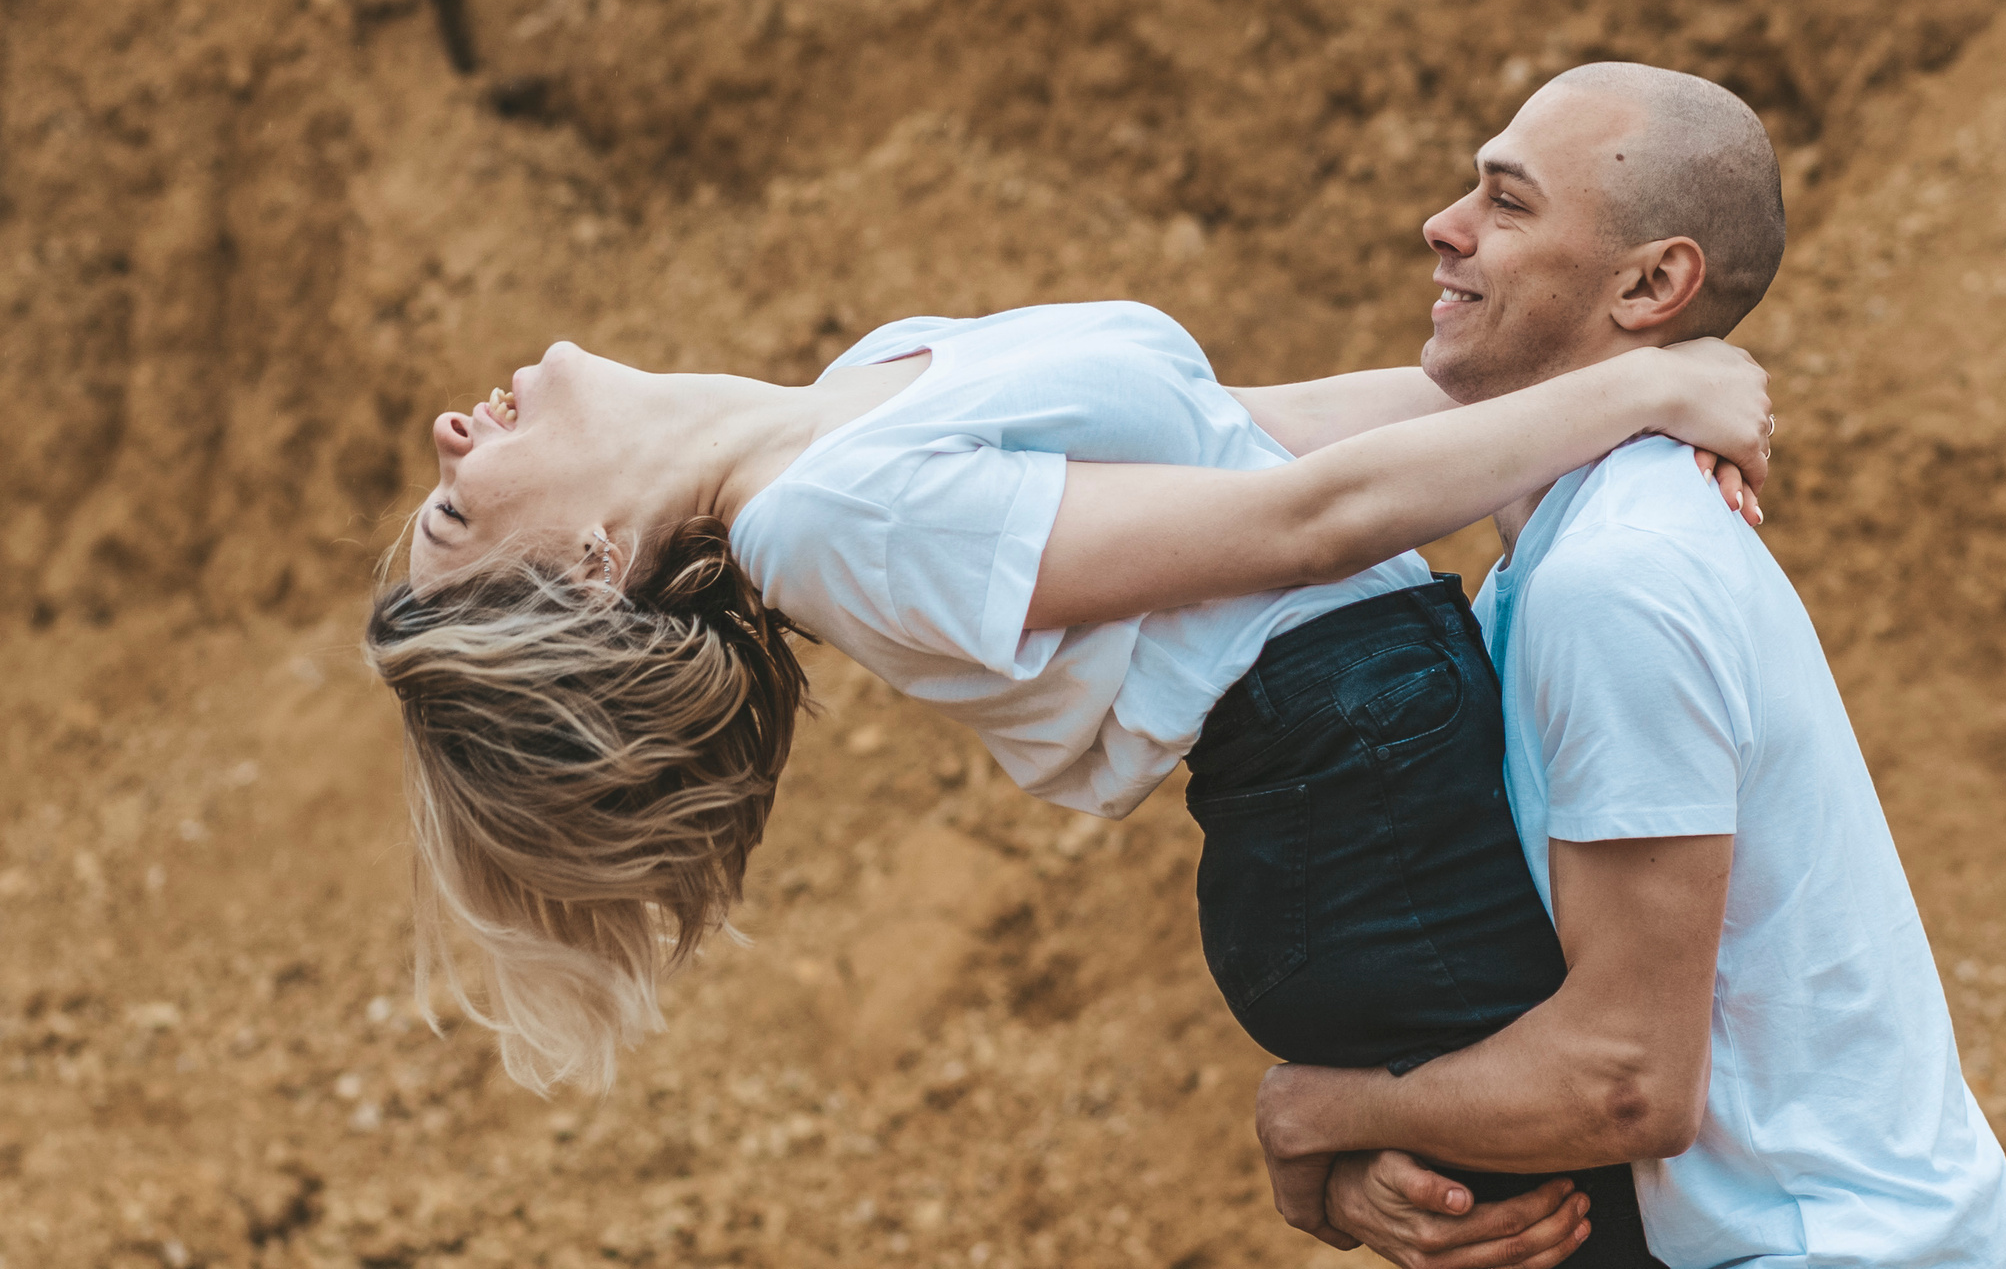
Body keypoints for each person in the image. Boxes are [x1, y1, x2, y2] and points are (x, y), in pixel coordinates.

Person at [365, 276, 1772, 1266]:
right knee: (1640, 1211)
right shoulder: (830, 522)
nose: (446, 439)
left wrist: (1595, 394)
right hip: (1359, 822)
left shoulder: (860, 390)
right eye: (455, 512)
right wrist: (1638, 387)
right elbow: (1300, 520)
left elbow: (1267, 430)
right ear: (594, 566)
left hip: (1371, 767)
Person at [1247, 62, 2006, 1269]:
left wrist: (1314, 1112)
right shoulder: (1564, 556)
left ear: (1653, 283)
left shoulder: (1616, 580)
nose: (1442, 225)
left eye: (1507, 203)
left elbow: (1626, 1083)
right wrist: (1385, 1155)